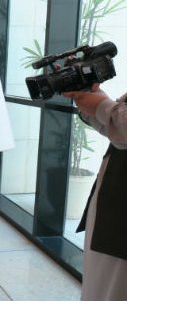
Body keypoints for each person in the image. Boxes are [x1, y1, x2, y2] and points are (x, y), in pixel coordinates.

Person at [62, 84, 126, 300]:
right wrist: (91, 102)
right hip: (115, 193)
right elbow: (119, 133)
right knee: (101, 285)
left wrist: (102, 106)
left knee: (112, 288)